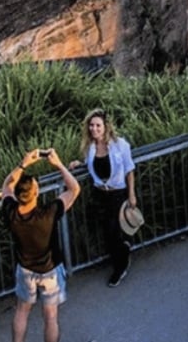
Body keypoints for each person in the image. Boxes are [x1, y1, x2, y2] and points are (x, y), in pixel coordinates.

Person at [0, 147, 81, 342]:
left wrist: (23, 164)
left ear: (18, 195)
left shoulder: (11, 213)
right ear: (36, 193)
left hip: (25, 269)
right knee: (51, 317)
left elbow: (7, 185)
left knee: (22, 311)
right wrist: (59, 164)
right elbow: (74, 189)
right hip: (50, 270)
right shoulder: (49, 214)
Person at [81, 109, 136, 287]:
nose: (94, 129)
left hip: (117, 192)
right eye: (91, 125)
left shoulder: (120, 145)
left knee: (114, 230)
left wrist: (132, 194)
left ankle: (120, 267)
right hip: (100, 193)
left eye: (98, 125)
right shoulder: (90, 147)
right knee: (108, 230)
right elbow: (90, 165)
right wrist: (78, 164)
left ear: (106, 127)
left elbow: (129, 170)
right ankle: (122, 252)